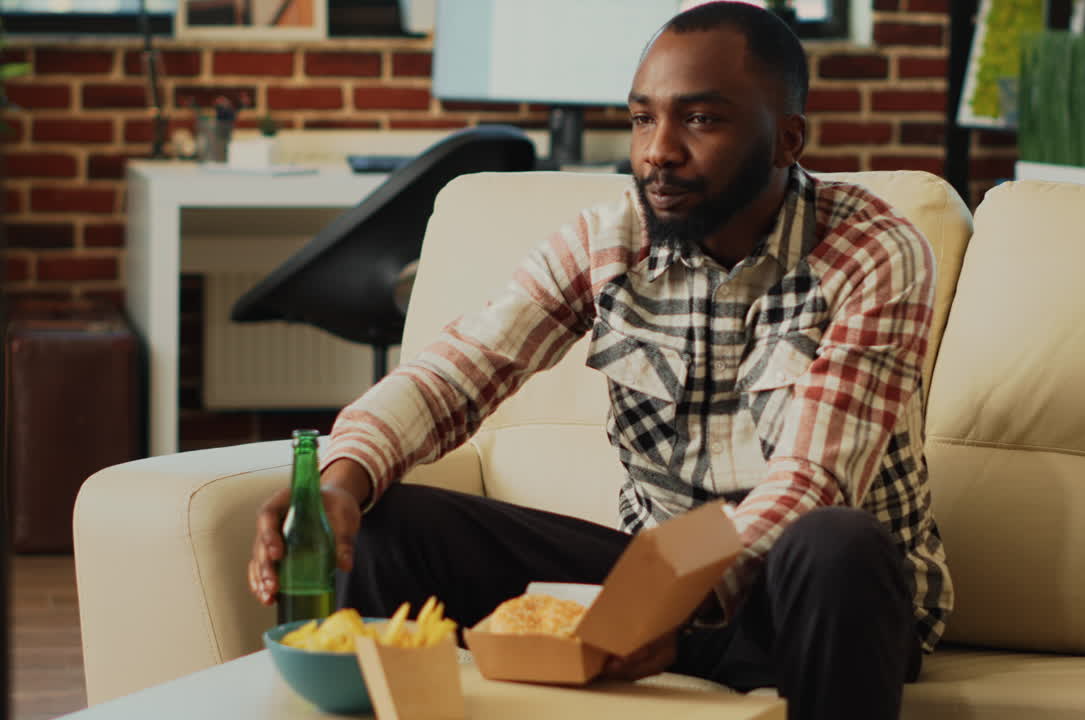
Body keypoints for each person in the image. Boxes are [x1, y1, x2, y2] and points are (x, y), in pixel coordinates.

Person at [248, 2, 953, 717]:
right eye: (644, 118)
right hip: (653, 584)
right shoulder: (611, 237)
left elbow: (814, 480)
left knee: (837, 544)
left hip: (808, 600)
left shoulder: (875, 253)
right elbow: (458, 369)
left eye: (701, 120)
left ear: (786, 141)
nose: (658, 150)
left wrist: (663, 607)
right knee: (386, 522)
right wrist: (342, 481)